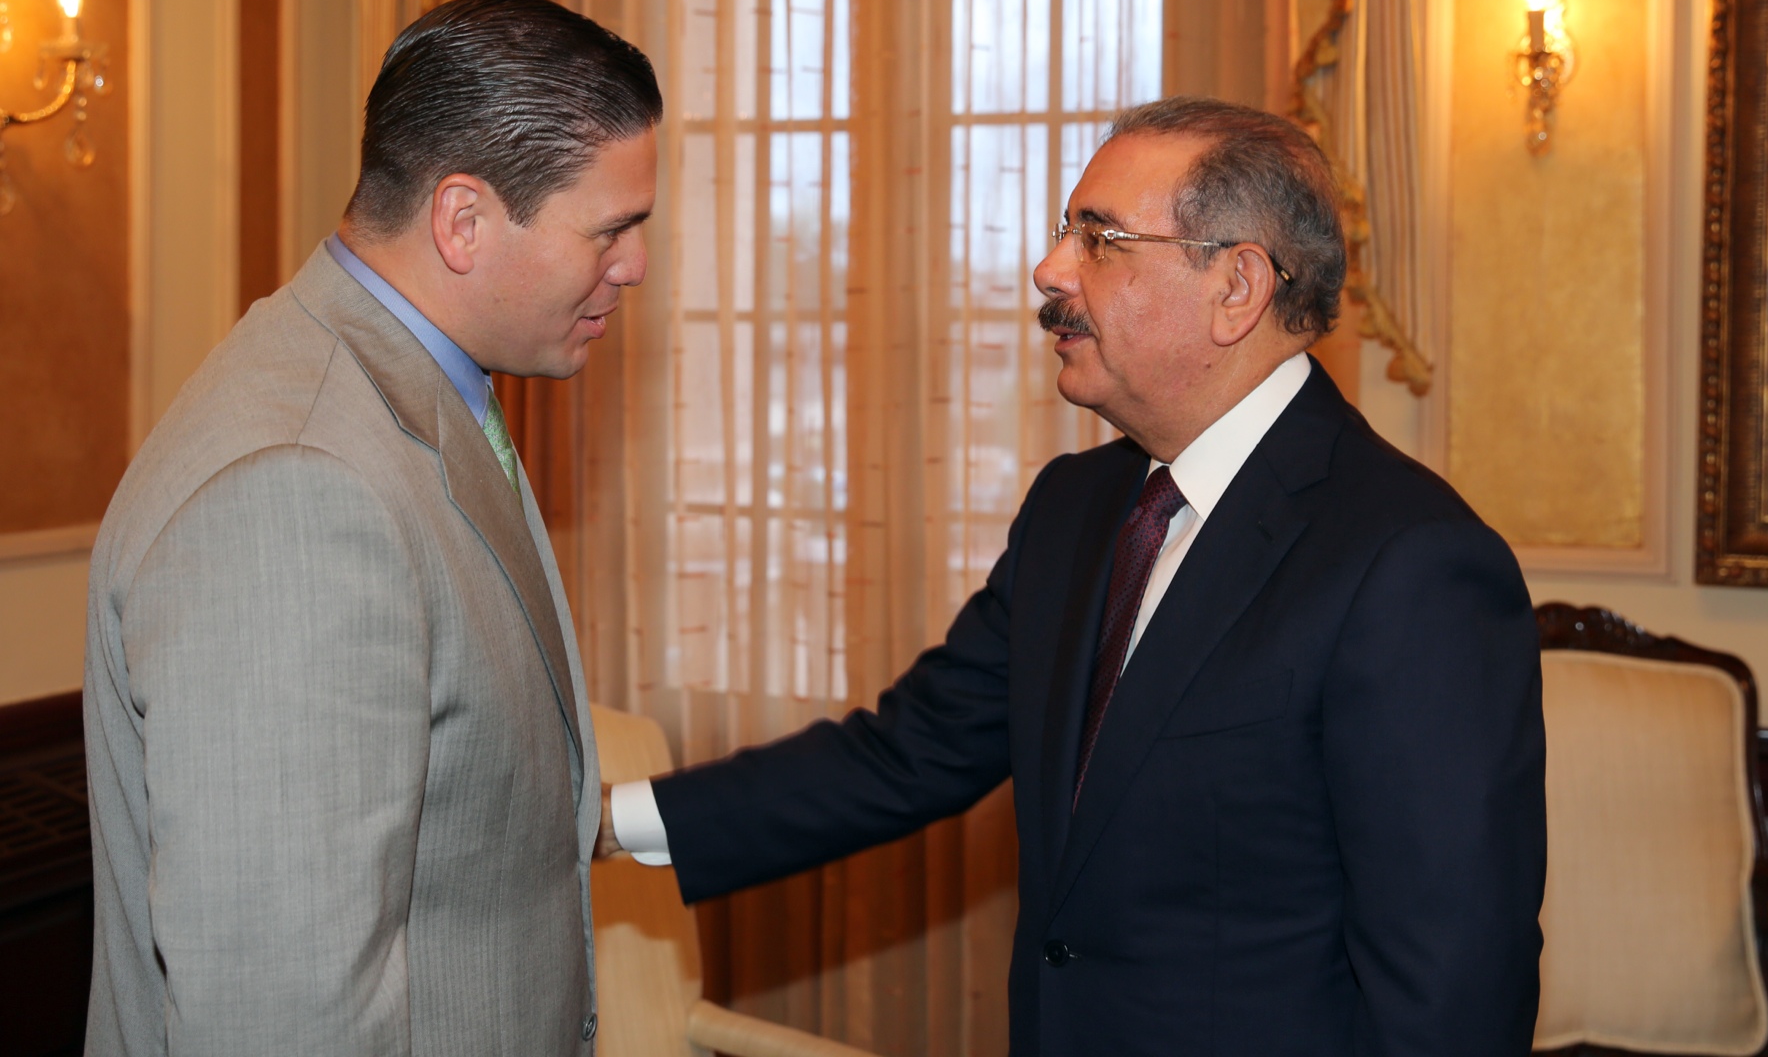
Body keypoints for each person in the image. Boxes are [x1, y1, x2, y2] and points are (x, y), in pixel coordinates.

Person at [603, 97, 1546, 1055]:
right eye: (1066, 231)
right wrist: (606, 822)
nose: (1049, 269)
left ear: (1237, 286)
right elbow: (907, 754)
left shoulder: (1409, 560)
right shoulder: (1076, 506)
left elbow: (1454, 981)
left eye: (1099, 239)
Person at [82, 0, 658, 1056]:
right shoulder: (295, 491)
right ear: (462, 220)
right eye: (610, 228)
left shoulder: (421, 384)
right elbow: (280, 1018)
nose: (633, 265)